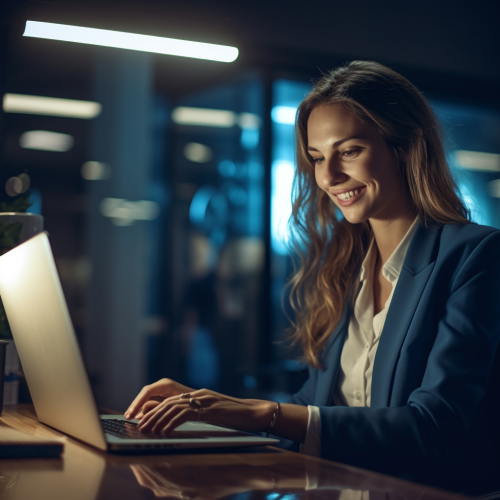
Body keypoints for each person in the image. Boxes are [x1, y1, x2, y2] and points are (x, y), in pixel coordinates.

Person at [125, 61, 500, 492]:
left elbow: (431, 428)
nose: (328, 176)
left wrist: (251, 412)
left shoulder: (475, 255)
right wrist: (207, 420)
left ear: (404, 146)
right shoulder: (343, 266)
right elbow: (316, 408)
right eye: (318, 157)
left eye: (350, 151)